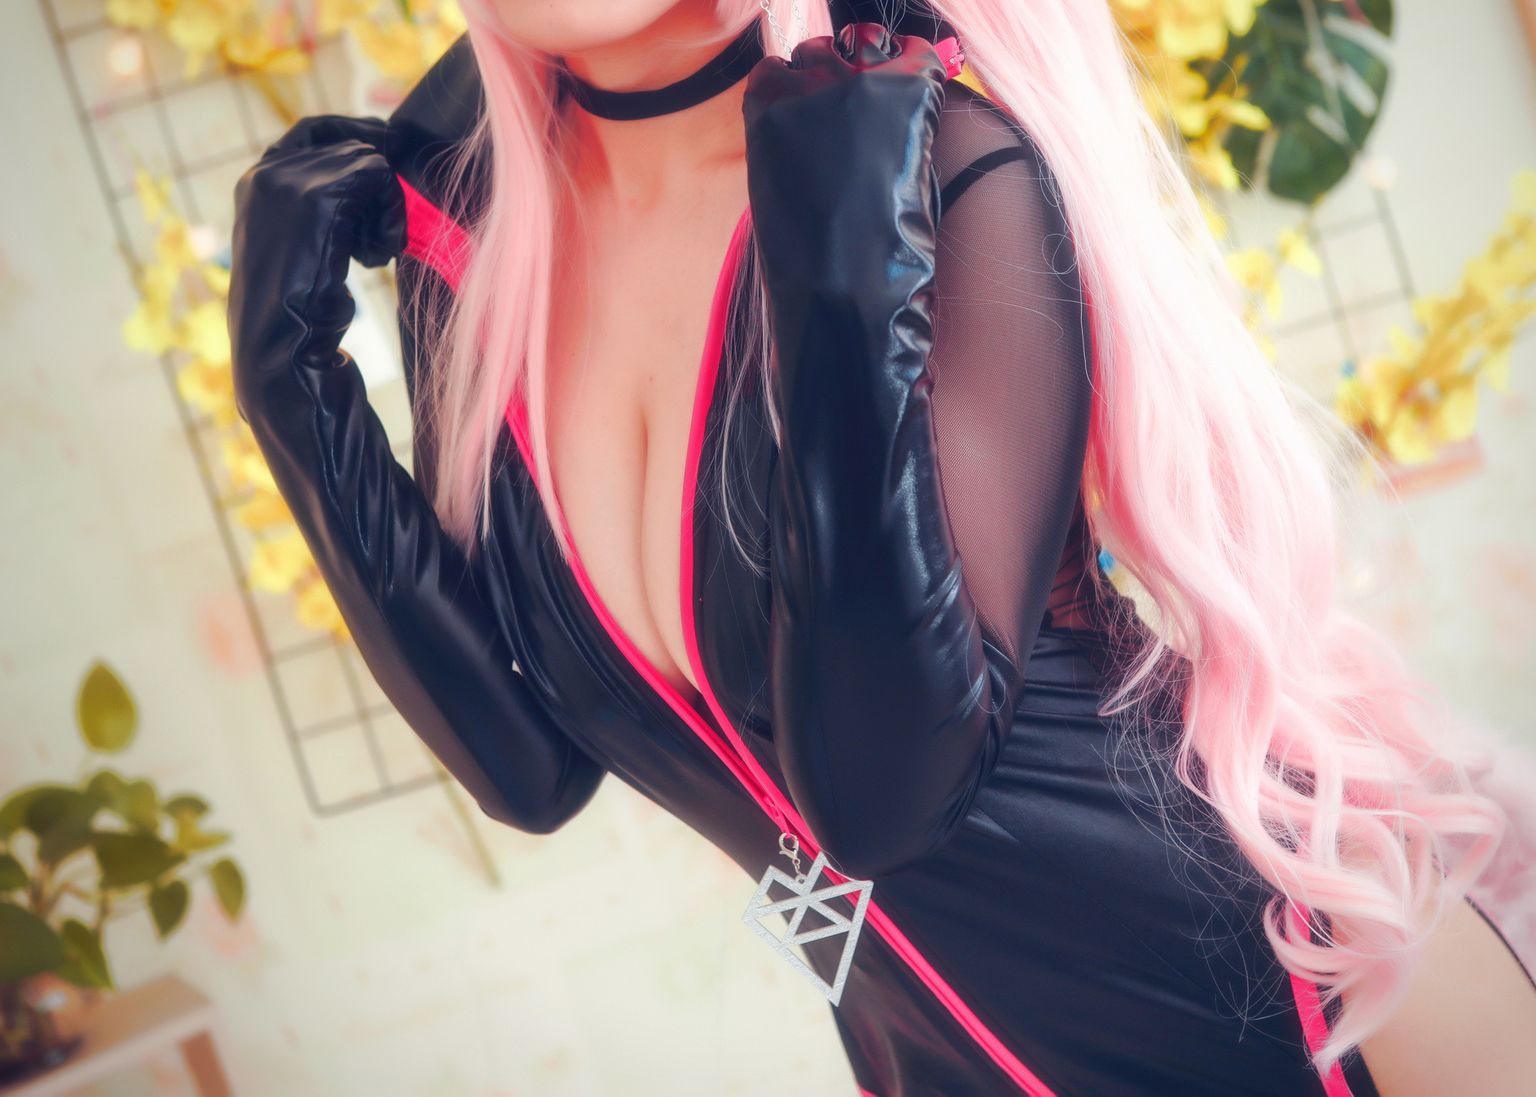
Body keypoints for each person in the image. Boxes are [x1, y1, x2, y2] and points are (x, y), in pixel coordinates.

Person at [226, 1, 1536, 1093]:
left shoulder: (938, 161)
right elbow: (531, 764)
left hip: (1310, 1009)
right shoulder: (479, 256)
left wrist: (844, 271)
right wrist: (290, 387)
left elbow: (879, 796)